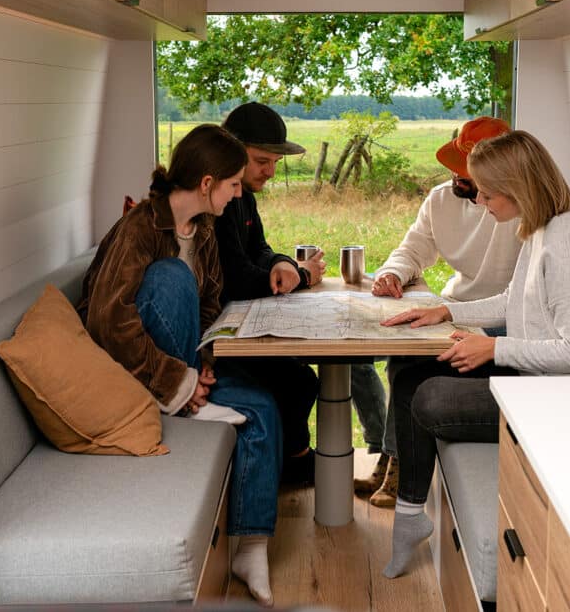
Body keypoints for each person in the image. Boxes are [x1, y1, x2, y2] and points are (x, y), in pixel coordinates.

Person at [378, 130, 570, 578]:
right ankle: (410, 515)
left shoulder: (567, 245)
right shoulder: (541, 228)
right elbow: (514, 301)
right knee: (408, 375)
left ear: (518, 188)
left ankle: (409, 516)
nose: (479, 201)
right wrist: (445, 310)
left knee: (428, 399)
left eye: (487, 192)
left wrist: (493, 346)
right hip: (540, 378)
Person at [77, 124, 280, 606]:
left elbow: (209, 307)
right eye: (233, 185)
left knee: (263, 409)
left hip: (179, 365)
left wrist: (203, 363)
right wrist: (180, 381)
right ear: (207, 183)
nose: (238, 195)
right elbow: (109, 320)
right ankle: (180, 402)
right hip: (130, 371)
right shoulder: (140, 228)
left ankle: (250, 547)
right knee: (171, 279)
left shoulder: (203, 229)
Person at [352, 116, 522, 508]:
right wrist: (393, 274)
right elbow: (413, 249)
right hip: (457, 309)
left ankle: (396, 464)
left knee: (412, 370)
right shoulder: (442, 199)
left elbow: (522, 302)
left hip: (500, 323)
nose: (457, 179)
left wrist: (455, 315)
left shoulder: (520, 210)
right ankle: (395, 459)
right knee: (401, 352)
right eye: (456, 169)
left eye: (467, 173)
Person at [216, 102, 325, 485]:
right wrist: (303, 276)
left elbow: (259, 248)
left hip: (240, 321)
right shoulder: (221, 202)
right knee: (298, 382)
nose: (271, 171)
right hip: (216, 340)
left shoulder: (243, 196)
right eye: (262, 160)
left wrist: (282, 262)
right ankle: (292, 463)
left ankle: (292, 459)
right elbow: (237, 278)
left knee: (301, 379)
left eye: (275, 161)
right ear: (231, 150)